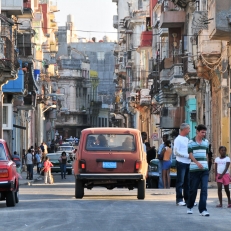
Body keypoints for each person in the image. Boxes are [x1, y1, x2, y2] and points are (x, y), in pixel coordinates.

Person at [187, 124, 210, 216]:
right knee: (193, 189)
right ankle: (190, 206)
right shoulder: (191, 142)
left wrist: (205, 164)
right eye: (202, 132)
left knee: (204, 189)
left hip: (204, 170)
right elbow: (190, 155)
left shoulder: (206, 142)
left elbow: (207, 154)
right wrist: (197, 163)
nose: (204, 134)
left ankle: (203, 209)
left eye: (205, 132)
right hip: (194, 170)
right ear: (197, 132)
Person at [174, 123, 191, 206]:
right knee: (180, 181)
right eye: (188, 129)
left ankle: (187, 199)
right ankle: (179, 199)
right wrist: (186, 155)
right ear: (184, 129)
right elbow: (176, 152)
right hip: (181, 162)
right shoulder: (178, 139)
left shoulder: (187, 139)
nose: (189, 130)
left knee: (187, 182)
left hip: (188, 162)